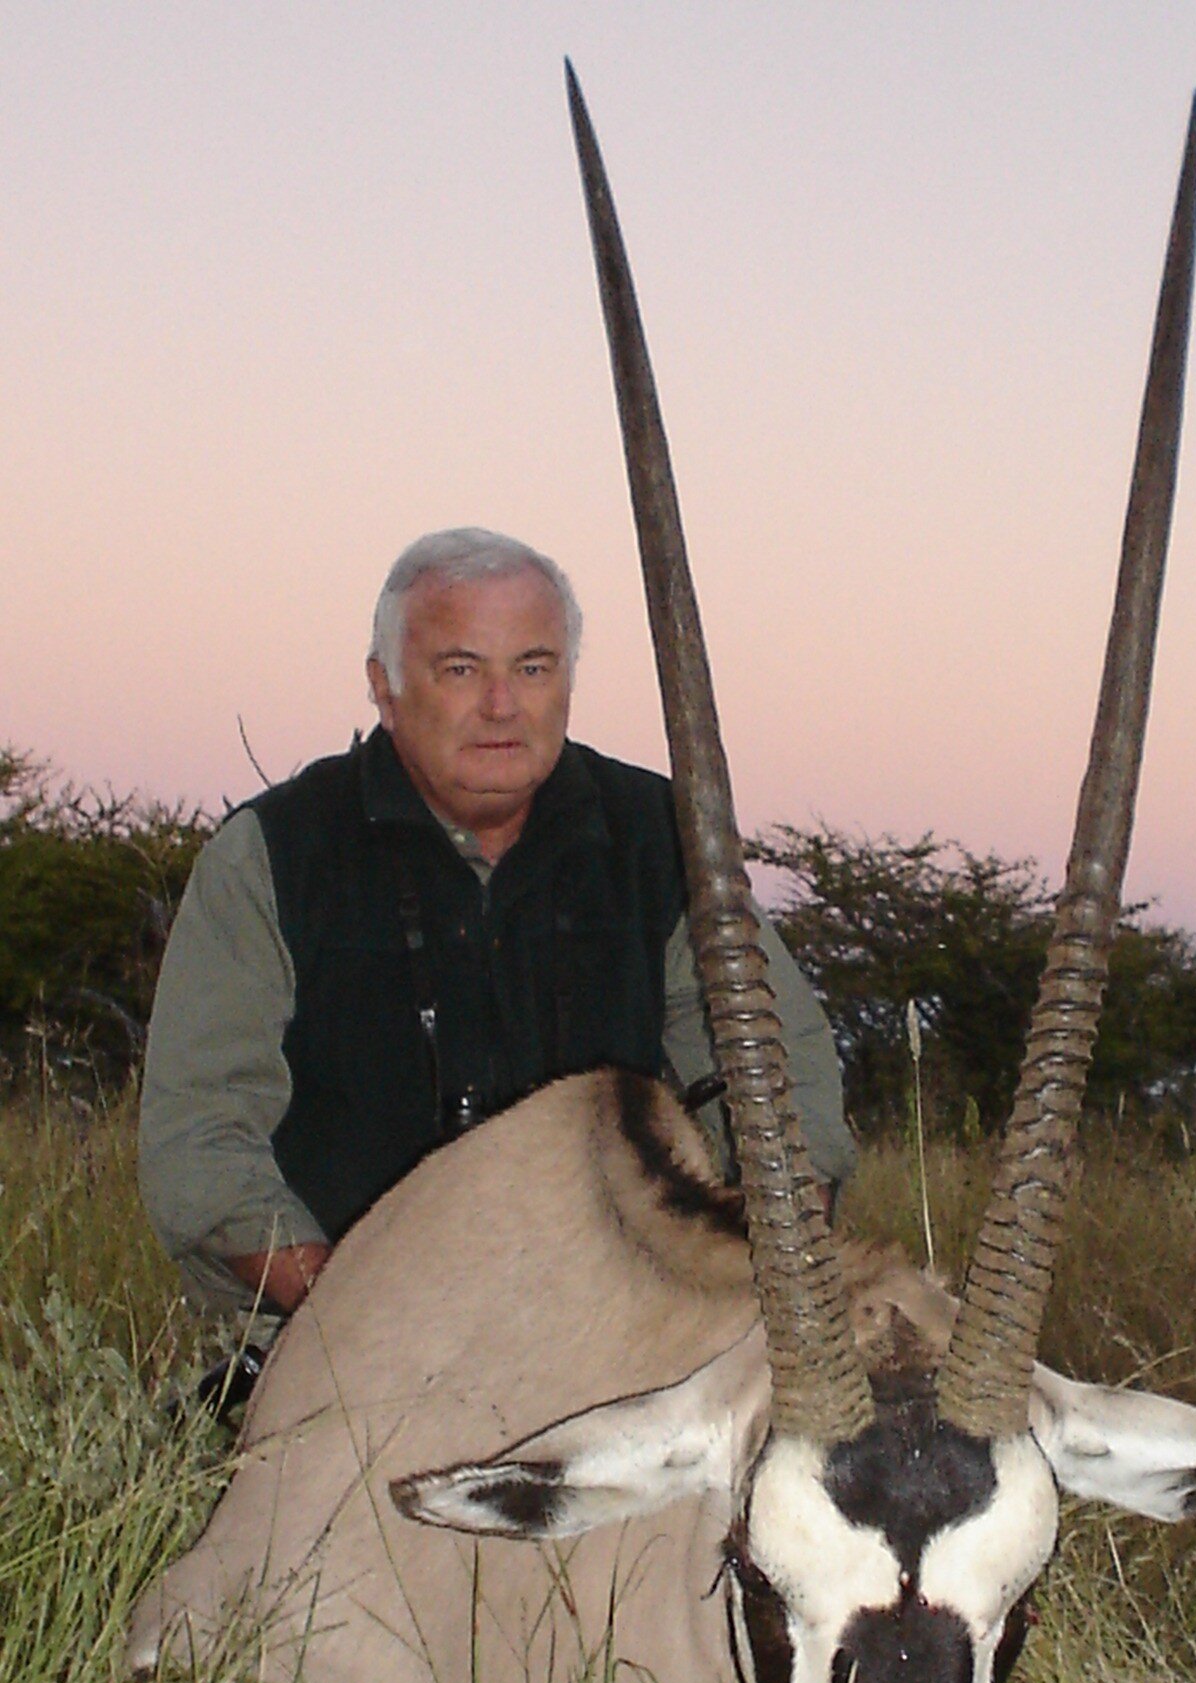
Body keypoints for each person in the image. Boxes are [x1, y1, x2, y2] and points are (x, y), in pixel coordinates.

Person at [139, 528, 856, 1348]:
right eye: (460, 669)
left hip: (623, 1340)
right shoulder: (274, 855)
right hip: (338, 1339)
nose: (501, 706)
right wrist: (357, 1320)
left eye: (533, 667)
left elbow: (777, 1071)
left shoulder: (662, 840)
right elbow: (199, 1138)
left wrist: (761, 1288)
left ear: (567, 681)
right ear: (385, 686)